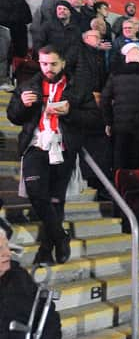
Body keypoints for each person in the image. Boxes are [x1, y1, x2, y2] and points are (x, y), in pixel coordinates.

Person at [7, 45, 99, 264]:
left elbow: (95, 120)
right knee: (36, 191)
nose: (48, 68)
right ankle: (60, 236)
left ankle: (46, 250)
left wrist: (70, 113)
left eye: (53, 64)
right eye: (44, 63)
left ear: (63, 63)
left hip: (63, 148)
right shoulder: (27, 85)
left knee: (56, 201)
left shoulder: (78, 87)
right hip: (36, 145)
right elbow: (13, 116)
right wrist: (22, 105)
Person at [0, 226, 62, 339]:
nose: (7, 253)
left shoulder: (19, 278)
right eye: (0, 249)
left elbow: (49, 322)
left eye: (7, 246)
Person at [101, 47, 139, 170]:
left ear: (126, 60)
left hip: (120, 126)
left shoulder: (115, 74)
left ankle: (119, 187)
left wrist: (108, 122)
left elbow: (105, 99)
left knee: (120, 161)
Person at [0, 0, 32, 86]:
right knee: (2, 57)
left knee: (10, 58)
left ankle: (7, 80)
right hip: (3, 28)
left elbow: (28, 17)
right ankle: (2, 81)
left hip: (16, 33)